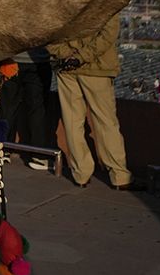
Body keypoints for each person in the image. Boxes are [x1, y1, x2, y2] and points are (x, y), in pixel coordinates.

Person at [47, 18, 140, 190]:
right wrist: (81, 57)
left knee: (72, 122)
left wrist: (64, 53)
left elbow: (48, 29)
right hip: (97, 68)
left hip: (66, 68)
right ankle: (119, 176)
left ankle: (81, 174)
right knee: (106, 122)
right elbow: (108, 34)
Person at [7, 47, 56, 170]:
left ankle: (4, 148)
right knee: (37, 108)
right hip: (38, 62)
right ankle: (39, 155)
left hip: (11, 60)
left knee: (8, 106)